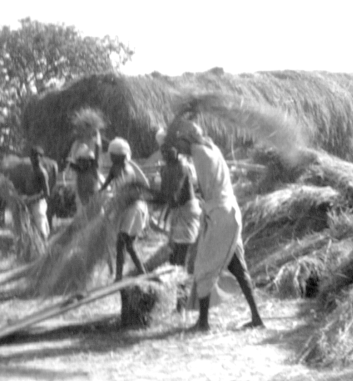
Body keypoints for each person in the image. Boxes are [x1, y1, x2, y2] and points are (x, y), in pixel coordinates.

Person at [165, 118, 264, 331]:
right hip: (230, 212)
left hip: (219, 215)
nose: (179, 150)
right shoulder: (212, 149)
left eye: (181, 144)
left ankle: (203, 323)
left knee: (203, 267)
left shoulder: (199, 152)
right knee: (238, 267)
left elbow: (186, 150)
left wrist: (178, 123)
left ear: (188, 140)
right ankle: (256, 318)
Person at [99, 137, 150, 282]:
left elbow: (127, 194)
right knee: (128, 245)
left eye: (112, 155)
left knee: (122, 242)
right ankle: (141, 271)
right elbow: (107, 183)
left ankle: (119, 277)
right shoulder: (115, 168)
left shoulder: (127, 170)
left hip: (135, 208)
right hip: (127, 208)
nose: (110, 157)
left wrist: (113, 205)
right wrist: (99, 194)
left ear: (120, 156)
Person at [156, 135, 201, 269]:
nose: (166, 154)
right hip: (177, 210)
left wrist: (163, 202)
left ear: (177, 152)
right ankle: (175, 271)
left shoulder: (181, 167)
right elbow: (166, 192)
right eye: (163, 151)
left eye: (169, 150)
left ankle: (179, 274)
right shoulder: (165, 169)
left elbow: (175, 192)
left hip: (186, 209)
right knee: (175, 247)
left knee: (182, 246)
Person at [22, 146, 51, 241]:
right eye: (33, 156)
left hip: (38, 204)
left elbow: (46, 193)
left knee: (41, 227)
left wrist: (32, 198)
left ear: (41, 158)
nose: (34, 159)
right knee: (32, 229)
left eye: (37, 156)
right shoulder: (31, 170)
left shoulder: (42, 172)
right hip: (30, 202)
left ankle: (45, 250)